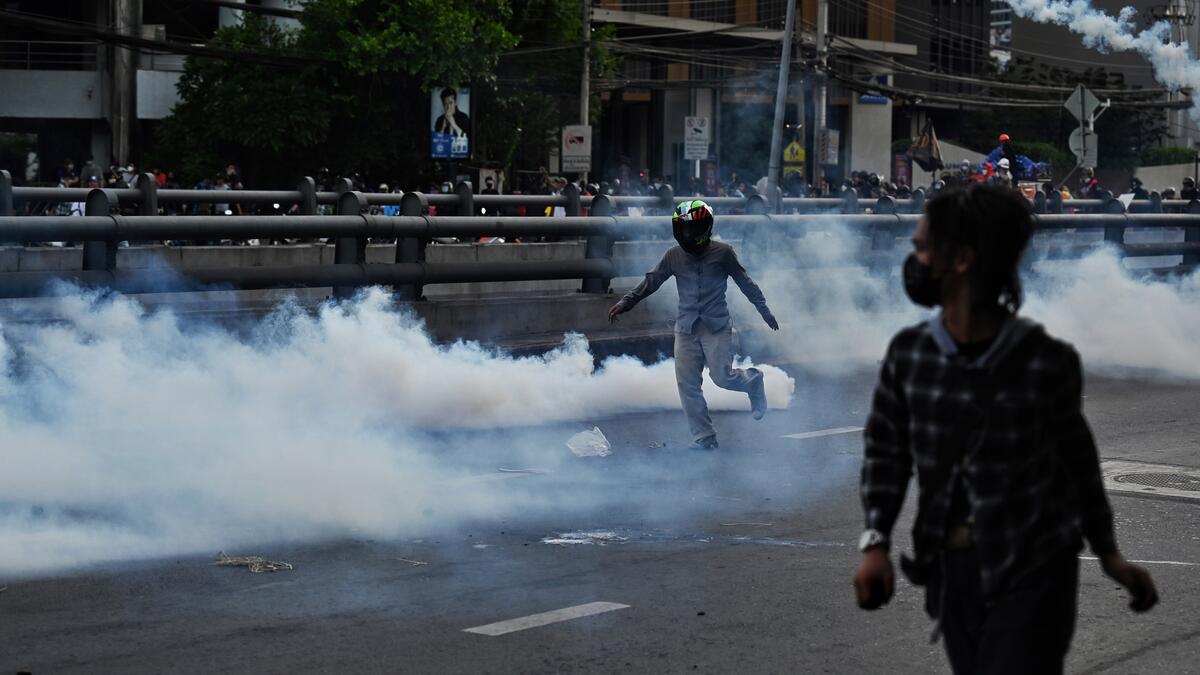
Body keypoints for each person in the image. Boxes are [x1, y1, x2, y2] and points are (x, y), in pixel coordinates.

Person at [853, 184, 1158, 675]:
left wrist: (1109, 554)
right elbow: (886, 456)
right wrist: (875, 544)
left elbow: (1078, 463)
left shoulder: (1045, 361)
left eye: (924, 246)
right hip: (953, 573)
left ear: (962, 260)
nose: (915, 257)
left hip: (1035, 569)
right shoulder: (909, 355)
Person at [607, 200, 779, 449]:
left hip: (716, 327)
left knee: (722, 378)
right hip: (686, 327)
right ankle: (705, 437)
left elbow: (746, 283)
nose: (688, 234)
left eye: (693, 229)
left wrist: (764, 311)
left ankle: (753, 380)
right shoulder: (673, 255)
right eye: (683, 229)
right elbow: (652, 281)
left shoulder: (724, 252)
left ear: (706, 228)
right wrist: (626, 301)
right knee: (687, 384)